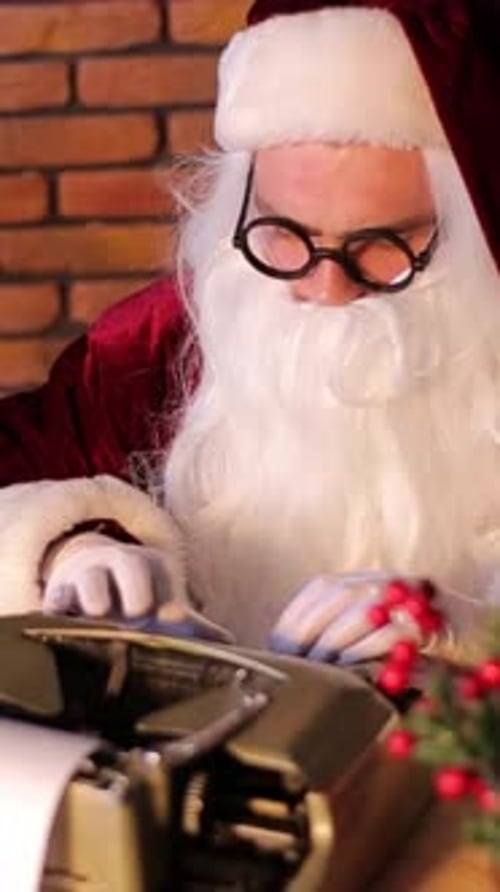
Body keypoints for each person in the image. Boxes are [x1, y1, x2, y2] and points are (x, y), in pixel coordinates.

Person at [0, 0, 498, 663]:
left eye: (384, 244)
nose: (324, 289)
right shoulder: (164, 342)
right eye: (284, 231)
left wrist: (475, 635)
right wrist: (68, 546)